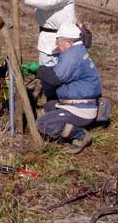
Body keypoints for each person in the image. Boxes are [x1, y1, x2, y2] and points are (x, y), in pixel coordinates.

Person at [35, 23, 102, 154]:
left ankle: (80, 135)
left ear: (69, 42)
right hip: (83, 104)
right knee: (49, 107)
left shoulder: (72, 56)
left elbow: (56, 78)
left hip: (80, 109)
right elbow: (59, 72)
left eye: (59, 43)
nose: (58, 47)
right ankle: (68, 125)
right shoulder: (78, 51)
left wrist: (39, 70)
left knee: (43, 124)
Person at [9, 0, 77, 69]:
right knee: (48, 77)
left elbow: (49, 1)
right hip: (47, 41)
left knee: (67, 76)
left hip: (66, 41)